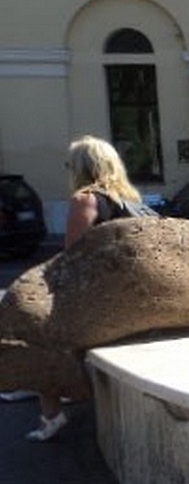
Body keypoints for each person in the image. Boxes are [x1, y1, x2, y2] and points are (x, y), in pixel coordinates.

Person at [26, 135, 152, 442]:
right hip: (136, 300)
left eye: (70, 165)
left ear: (81, 168)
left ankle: (51, 416)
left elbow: (71, 258)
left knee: (39, 341)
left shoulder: (86, 199)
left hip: (102, 303)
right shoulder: (134, 202)